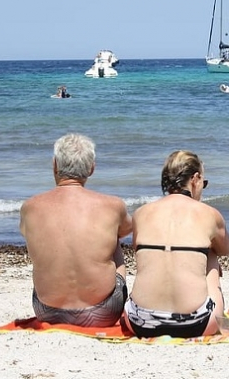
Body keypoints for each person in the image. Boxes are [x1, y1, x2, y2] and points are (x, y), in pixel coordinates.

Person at [19, 133, 133, 327]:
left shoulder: (30, 207)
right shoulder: (113, 205)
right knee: (113, 239)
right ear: (92, 169)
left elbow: (26, 233)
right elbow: (127, 230)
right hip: (104, 312)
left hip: (46, 311)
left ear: (55, 165)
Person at [122, 150, 229, 338]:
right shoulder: (209, 214)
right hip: (197, 325)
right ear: (195, 179)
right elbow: (225, 250)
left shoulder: (141, 213)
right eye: (203, 184)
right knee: (211, 253)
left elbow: (137, 252)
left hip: (139, 322)